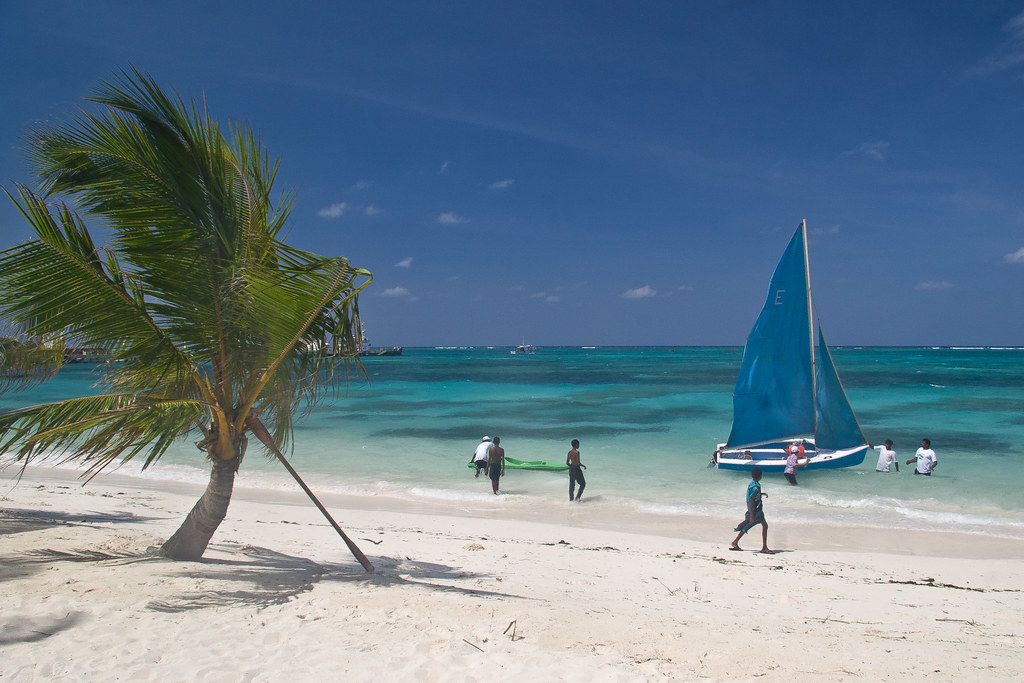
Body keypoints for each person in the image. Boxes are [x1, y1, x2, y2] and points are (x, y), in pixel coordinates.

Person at [730, 466, 773, 553]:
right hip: (755, 511)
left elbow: (753, 496)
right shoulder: (755, 487)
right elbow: (750, 500)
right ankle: (763, 547)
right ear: (760, 476)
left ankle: (735, 542)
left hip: (756, 510)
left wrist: (762, 494)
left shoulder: (752, 484)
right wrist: (752, 515)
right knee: (749, 526)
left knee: (762, 526)